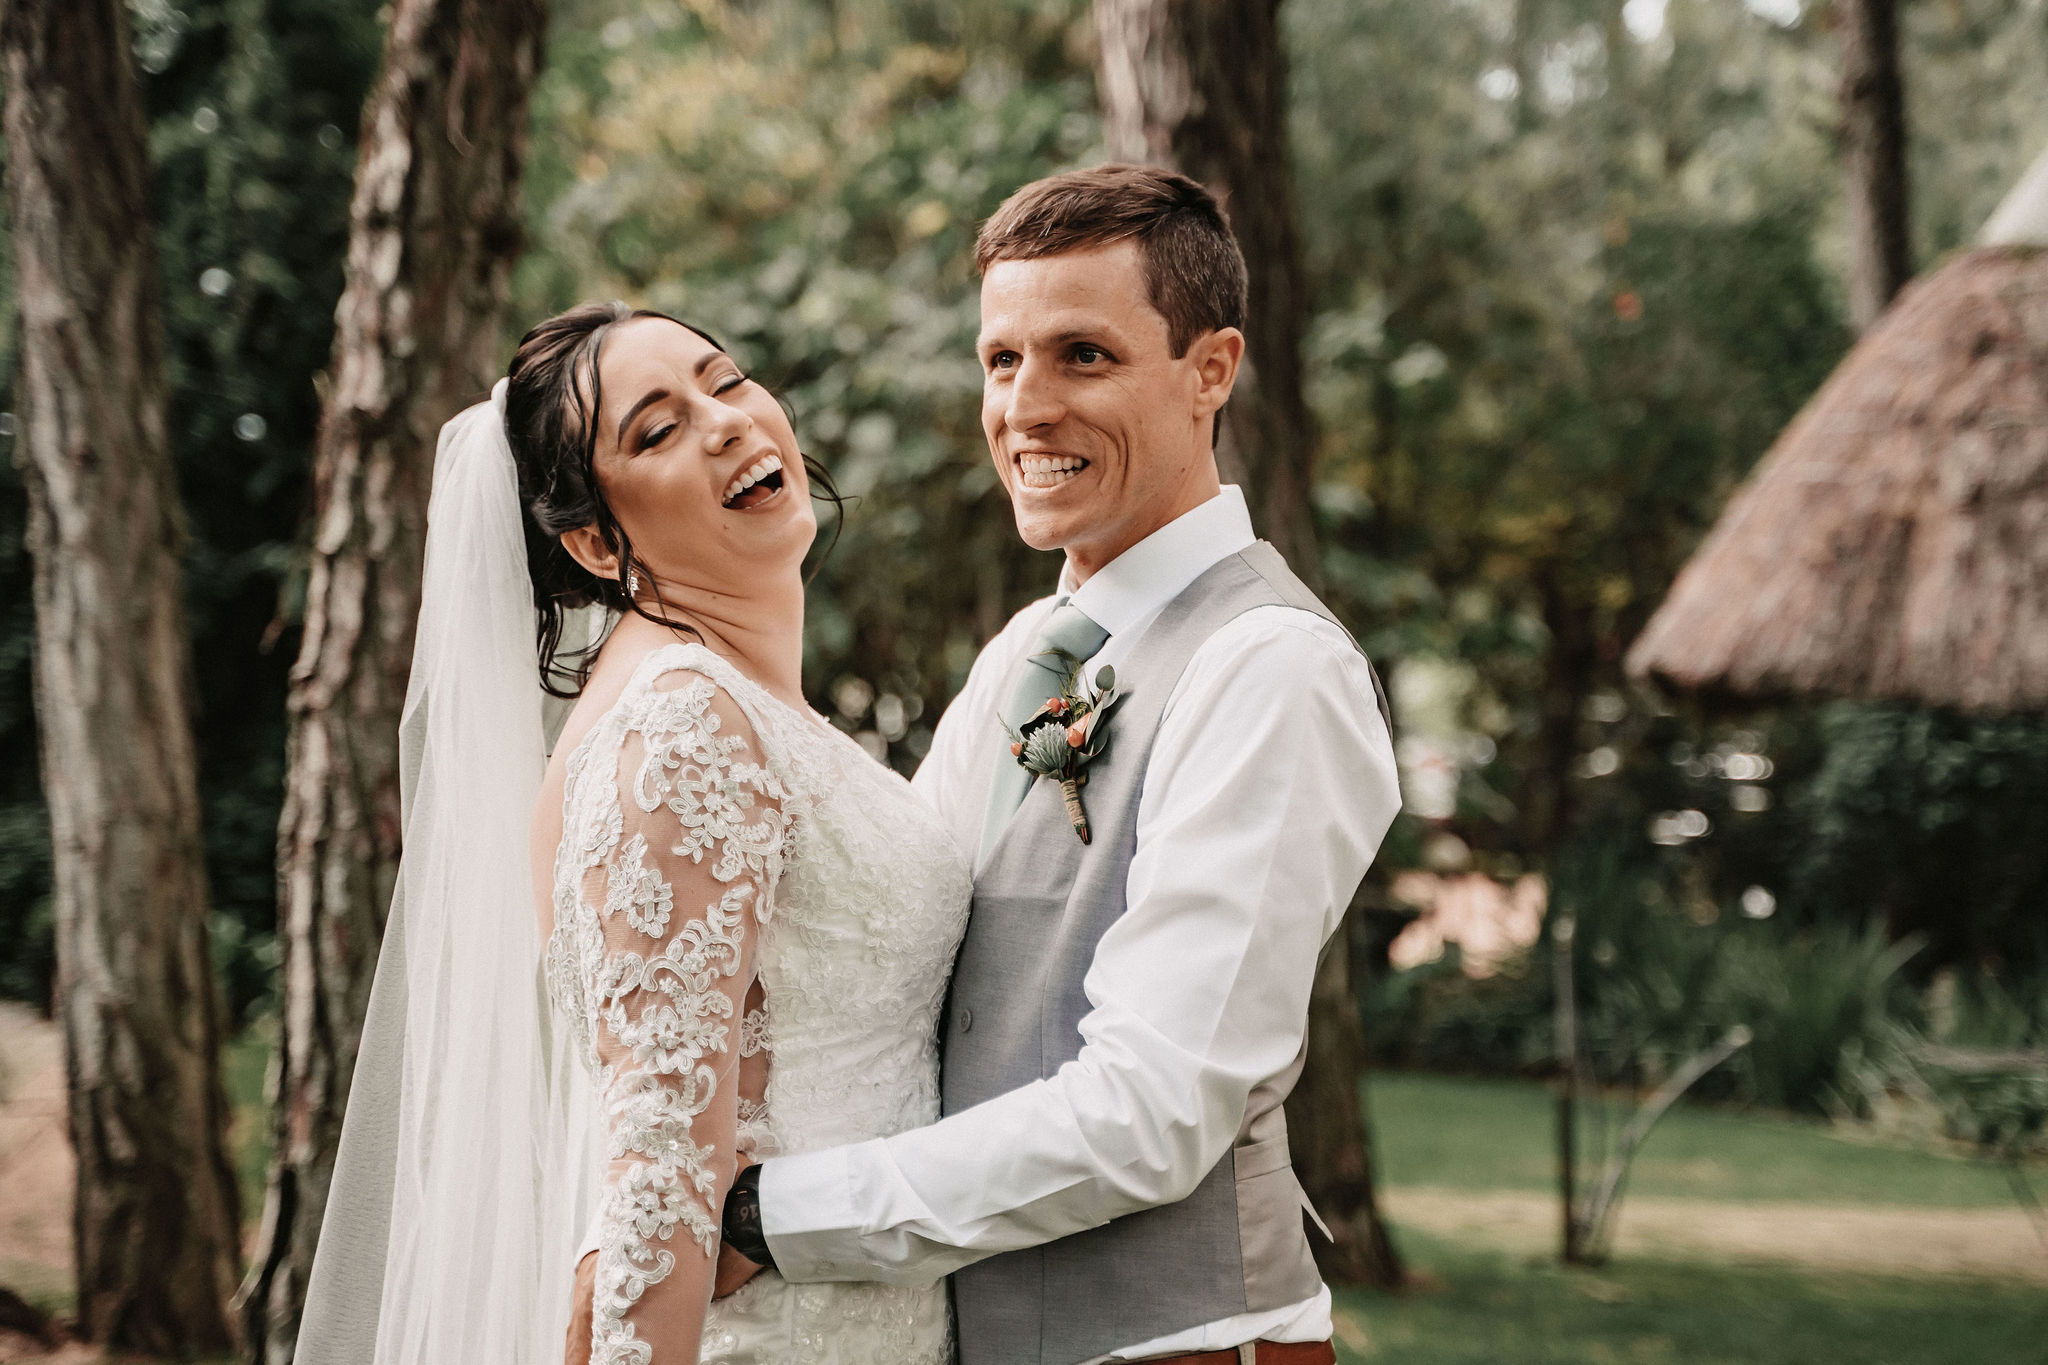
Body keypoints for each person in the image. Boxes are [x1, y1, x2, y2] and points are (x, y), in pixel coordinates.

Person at [716, 165, 1401, 1365]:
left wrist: (774, 1219)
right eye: (999, 361)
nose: (1024, 407)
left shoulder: (1270, 669)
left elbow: (1151, 1114)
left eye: (1081, 354)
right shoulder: (1027, 652)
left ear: (1210, 370)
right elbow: (900, 956)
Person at [295, 301, 971, 1365]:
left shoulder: (736, 709)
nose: (724, 422)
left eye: (726, 378)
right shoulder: (680, 725)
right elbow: (659, 1167)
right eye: (656, 430)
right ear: (595, 540)